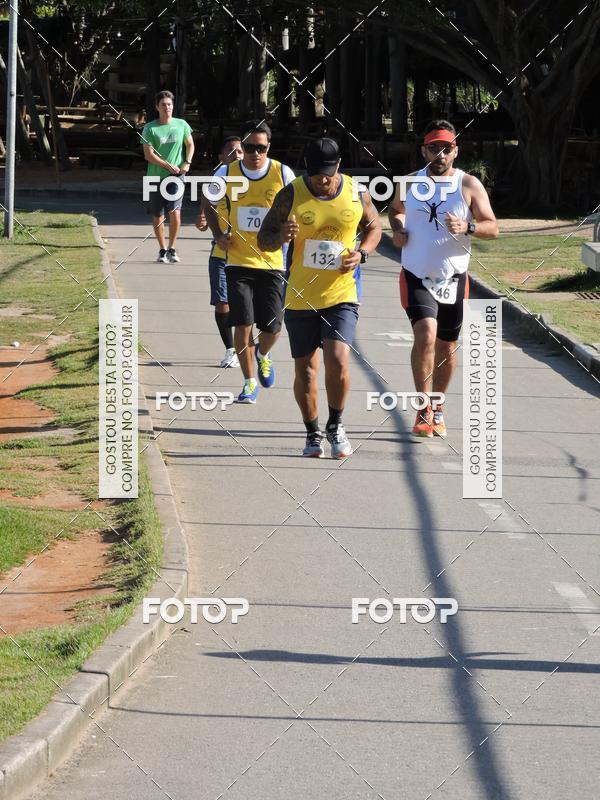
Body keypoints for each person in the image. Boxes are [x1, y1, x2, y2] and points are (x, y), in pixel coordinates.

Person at [258, 138, 381, 458]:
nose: (321, 181)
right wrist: (281, 235)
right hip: (301, 296)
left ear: (338, 166)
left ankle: (336, 425)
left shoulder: (356, 192)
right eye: (314, 175)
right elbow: (264, 239)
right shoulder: (291, 193)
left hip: (342, 293)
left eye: (326, 174)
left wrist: (363, 254)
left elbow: (374, 227)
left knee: (338, 359)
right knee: (306, 370)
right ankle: (312, 432)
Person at [388, 119, 499, 439]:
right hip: (416, 274)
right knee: (426, 334)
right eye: (434, 148)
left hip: (453, 279)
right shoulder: (410, 182)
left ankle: (437, 406)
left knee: (447, 346)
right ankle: (423, 407)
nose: (440, 154)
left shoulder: (469, 185)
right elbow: (395, 210)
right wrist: (398, 229)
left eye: (446, 148)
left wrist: (468, 227)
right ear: (424, 151)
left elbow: (492, 226)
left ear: (455, 151)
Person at [204, 120, 295, 403]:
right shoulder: (226, 173)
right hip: (237, 261)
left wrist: (289, 232)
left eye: (261, 148)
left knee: (273, 327)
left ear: (269, 147)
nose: (255, 153)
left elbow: (299, 207)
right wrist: (218, 235)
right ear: (241, 148)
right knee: (243, 324)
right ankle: (249, 382)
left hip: (273, 262)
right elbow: (207, 202)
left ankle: (263, 354)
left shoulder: (283, 173)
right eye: (249, 147)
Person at [196, 136, 243, 368]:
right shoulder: (219, 177)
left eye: (240, 151)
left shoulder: (256, 178)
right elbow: (207, 203)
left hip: (249, 256)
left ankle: (252, 349)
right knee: (222, 302)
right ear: (222, 157)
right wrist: (203, 217)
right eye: (232, 152)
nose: (237, 156)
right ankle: (231, 349)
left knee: (246, 305)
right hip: (222, 252)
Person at [142, 90, 194, 264]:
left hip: (176, 177)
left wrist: (187, 162)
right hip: (155, 177)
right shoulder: (150, 128)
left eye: (169, 104)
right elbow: (148, 155)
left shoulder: (182, 124)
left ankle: (172, 248)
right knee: (158, 215)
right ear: (157, 107)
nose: (167, 107)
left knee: (175, 211)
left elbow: (190, 144)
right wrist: (167, 165)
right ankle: (162, 249)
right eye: (163, 105)